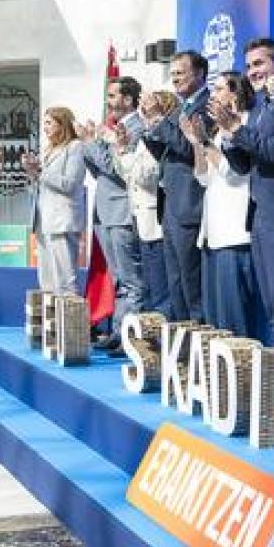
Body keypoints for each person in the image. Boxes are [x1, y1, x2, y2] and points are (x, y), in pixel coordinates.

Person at [218, 38, 274, 399]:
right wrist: (228, 136)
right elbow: (245, 164)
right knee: (272, 306)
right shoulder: (257, 107)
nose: (253, 71)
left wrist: (239, 132)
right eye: (249, 65)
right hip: (260, 216)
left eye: (260, 64)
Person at [186, 72, 262, 339]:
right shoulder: (218, 131)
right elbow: (203, 176)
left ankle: (241, 373)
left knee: (235, 317)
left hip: (235, 234)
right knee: (216, 316)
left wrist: (206, 143)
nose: (213, 95)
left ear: (235, 93)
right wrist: (198, 142)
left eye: (219, 89)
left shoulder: (245, 125)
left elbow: (234, 172)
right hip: (213, 234)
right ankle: (220, 374)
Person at [141, 51, 211, 321]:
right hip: (170, 205)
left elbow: (187, 147)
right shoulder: (181, 106)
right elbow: (165, 151)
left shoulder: (206, 105)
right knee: (175, 282)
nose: (175, 79)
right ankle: (181, 343)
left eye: (180, 73)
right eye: (173, 74)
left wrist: (160, 120)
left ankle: (198, 343)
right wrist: (150, 125)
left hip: (190, 204)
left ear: (200, 73)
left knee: (191, 282)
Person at [80, 77, 146, 342]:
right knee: (118, 277)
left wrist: (90, 143)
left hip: (122, 212)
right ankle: (119, 330)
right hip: (105, 211)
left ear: (128, 99)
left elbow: (118, 170)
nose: (108, 102)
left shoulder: (136, 128)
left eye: (112, 96)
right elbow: (100, 171)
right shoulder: (114, 127)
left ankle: (128, 335)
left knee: (130, 280)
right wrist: (90, 147)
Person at [118, 90, 175, 319]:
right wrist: (123, 152)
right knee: (150, 284)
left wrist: (124, 155)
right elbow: (128, 175)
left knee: (160, 286)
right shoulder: (145, 136)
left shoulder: (160, 135)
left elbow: (147, 174)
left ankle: (160, 334)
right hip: (140, 217)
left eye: (150, 106)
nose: (145, 111)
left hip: (155, 219)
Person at [22, 107, 87, 295]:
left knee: (66, 282)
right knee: (47, 283)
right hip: (44, 221)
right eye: (44, 123)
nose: (45, 128)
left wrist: (41, 171)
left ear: (62, 124)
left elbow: (70, 184)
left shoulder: (75, 147)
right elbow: (41, 186)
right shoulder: (48, 149)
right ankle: (51, 323)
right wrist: (32, 172)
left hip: (62, 221)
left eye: (49, 123)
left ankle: (72, 323)